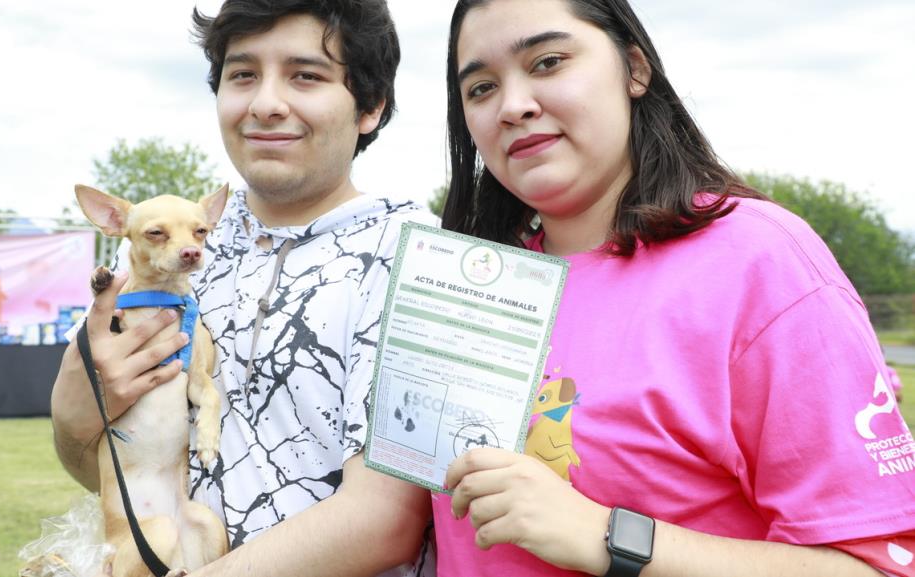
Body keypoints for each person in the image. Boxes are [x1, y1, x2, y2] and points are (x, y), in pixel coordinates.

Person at [435, 1, 915, 576]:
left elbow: (878, 566)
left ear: (634, 68)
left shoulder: (759, 261)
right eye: (482, 88)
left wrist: (610, 537)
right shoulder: (465, 287)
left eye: (548, 61)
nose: (513, 106)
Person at [49, 1, 437, 576]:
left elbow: (384, 522)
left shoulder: (421, 256)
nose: (265, 103)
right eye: (243, 74)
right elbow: (111, 464)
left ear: (370, 107)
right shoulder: (169, 250)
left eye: (306, 75)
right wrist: (73, 408)